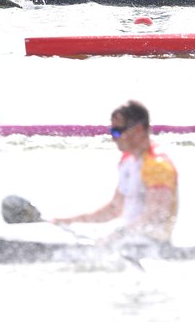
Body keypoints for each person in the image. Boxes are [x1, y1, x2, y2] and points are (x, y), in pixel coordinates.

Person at [52, 100, 179, 244]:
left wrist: (116, 235)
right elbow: (114, 209)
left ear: (138, 130)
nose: (113, 137)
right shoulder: (127, 161)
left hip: (153, 245)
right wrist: (67, 221)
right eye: (111, 131)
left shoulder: (158, 166)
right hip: (128, 239)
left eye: (117, 131)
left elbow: (155, 217)